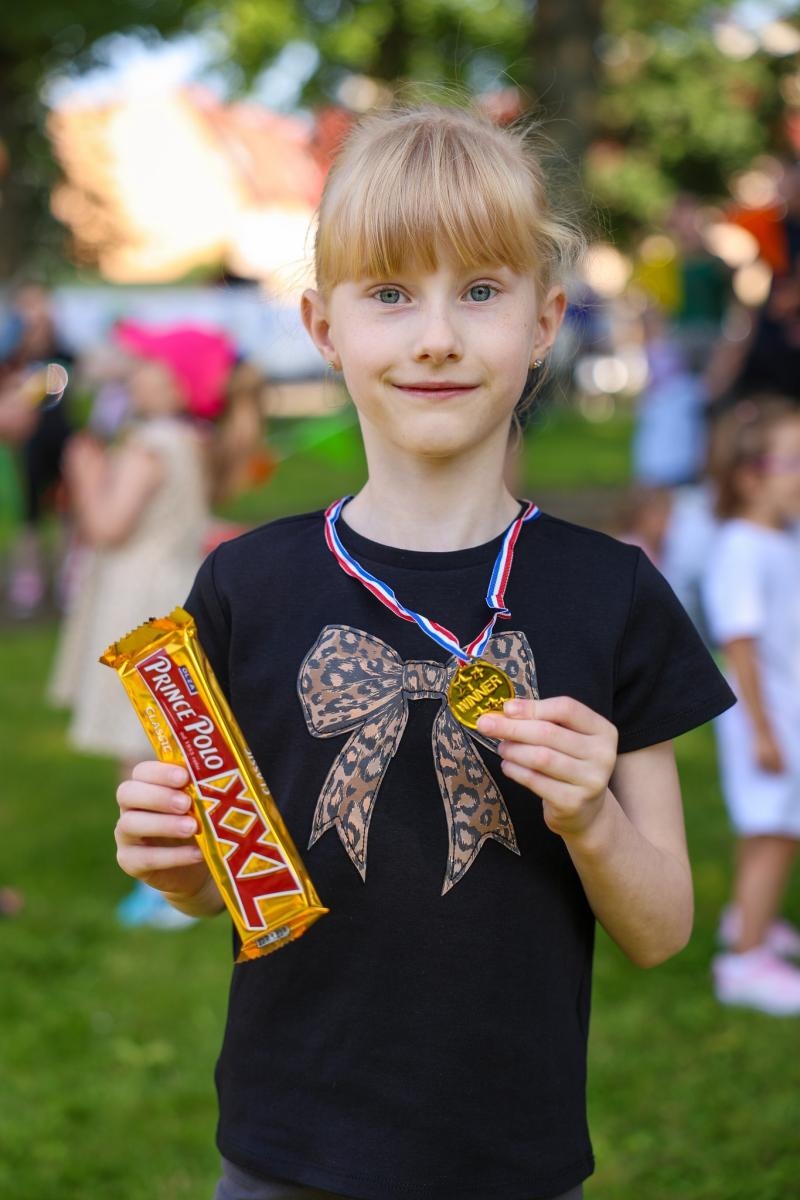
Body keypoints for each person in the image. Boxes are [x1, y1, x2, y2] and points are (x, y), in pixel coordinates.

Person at [113, 105, 735, 1200]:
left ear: (544, 322)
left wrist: (591, 816)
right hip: (281, 1148)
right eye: (389, 293)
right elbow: (223, 879)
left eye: (480, 292)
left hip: (510, 1159)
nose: (436, 334)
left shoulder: (612, 592)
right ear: (322, 326)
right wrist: (175, 864)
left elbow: (660, 928)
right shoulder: (244, 587)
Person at [52, 321, 240, 927]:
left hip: (134, 598)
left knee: (136, 747)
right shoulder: (191, 439)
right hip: (172, 590)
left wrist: (82, 471)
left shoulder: (148, 444)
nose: (135, 376)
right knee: (165, 732)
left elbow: (108, 525)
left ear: (176, 382)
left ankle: (164, 882)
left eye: (148, 367)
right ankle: (182, 865)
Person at [702, 400, 800, 1015]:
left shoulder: (779, 536)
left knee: (768, 827)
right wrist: (763, 732)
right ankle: (745, 962)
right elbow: (738, 643)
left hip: (783, 712)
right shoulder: (742, 546)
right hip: (766, 720)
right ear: (750, 475)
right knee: (776, 833)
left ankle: (748, 920)